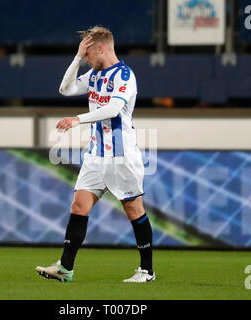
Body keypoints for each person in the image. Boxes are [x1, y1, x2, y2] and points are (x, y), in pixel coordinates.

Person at [35, 26, 155, 283]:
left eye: (88, 54)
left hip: (121, 156)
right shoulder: (93, 74)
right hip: (95, 156)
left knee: (133, 209)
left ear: (101, 48)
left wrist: (78, 119)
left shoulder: (124, 75)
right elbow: (65, 89)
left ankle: (147, 271)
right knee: (79, 205)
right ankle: (66, 268)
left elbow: (113, 109)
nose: (86, 59)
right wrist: (78, 57)